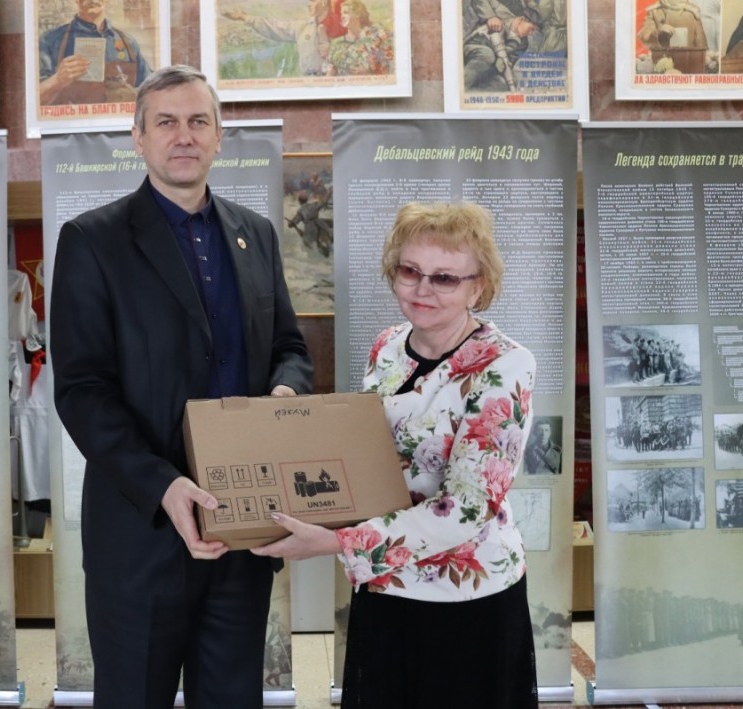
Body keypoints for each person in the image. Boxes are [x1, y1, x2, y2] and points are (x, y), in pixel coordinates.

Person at [50, 64, 312, 707]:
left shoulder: (257, 235)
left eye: (199, 121)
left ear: (219, 137)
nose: (184, 135)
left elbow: (289, 349)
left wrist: (285, 398)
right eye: (166, 122)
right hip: (141, 532)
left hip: (244, 527)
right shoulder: (91, 241)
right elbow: (82, 389)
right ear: (138, 138)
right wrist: (163, 485)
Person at [250, 202, 537, 708]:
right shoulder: (388, 345)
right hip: (386, 588)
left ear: (478, 287)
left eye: (444, 278)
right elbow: (368, 458)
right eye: (410, 271)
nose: (423, 289)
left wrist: (335, 541)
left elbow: (467, 508)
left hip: (464, 600)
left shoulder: (505, 365)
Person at [39, 0, 151, 106]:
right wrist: (57, 80)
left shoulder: (128, 43)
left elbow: (151, 88)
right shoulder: (50, 41)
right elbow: (33, 99)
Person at [222, 0, 332, 76]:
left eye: (313, 1)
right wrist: (245, 17)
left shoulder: (338, 26)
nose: (308, 4)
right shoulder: (302, 27)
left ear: (324, 2)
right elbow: (275, 27)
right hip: (309, 82)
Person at [463, 8, 542, 91]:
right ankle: (463, 86)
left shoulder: (523, 44)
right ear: (521, 20)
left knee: (508, 82)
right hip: (474, 47)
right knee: (487, 54)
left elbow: (510, 62)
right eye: (531, 29)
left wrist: (499, 67)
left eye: (534, 31)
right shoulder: (500, 19)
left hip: (491, 66)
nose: (531, 33)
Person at [326, 0, 394, 76]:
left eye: (346, 12)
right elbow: (330, 70)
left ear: (357, 14)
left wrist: (368, 73)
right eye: (341, 13)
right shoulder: (336, 43)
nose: (342, 16)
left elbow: (386, 69)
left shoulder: (374, 40)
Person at [637, 0, 708, 51]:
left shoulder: (693, 12)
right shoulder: (655, 11)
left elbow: (702, 46)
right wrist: (657, 32)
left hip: (687, 61)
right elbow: (644, 37)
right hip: (661, 61)